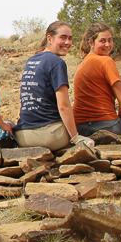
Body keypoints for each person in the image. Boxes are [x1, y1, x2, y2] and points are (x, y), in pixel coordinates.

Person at [13, 21, 88, 152]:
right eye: (63, 37)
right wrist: (76, 138)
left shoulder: (32, 60)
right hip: (49, 136)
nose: (67, 42)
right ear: (50, 39)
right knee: (86, 126)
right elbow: (63, 106)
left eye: (70, 38)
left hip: (23, 136)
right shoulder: (56, 62)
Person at [72, 23, 121, 138]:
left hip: (80, 127)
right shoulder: (105, 61)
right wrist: (120, 120)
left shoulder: (82, 65)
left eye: (110, 40)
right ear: (91, 43)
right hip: (107, 124)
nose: (107, 45)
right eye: (102, 41)